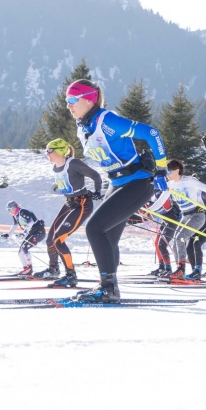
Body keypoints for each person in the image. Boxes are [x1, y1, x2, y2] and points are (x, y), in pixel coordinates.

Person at [68, 78, 169, 303]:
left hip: (138, 182)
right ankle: (108, 286)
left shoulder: (106, 121)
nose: (68, 105)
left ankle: (108, 289)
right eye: (67, 100)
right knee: (109, 236)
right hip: (116, 183)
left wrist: (162, 169)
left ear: (88, 100)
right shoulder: (84, 126)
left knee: (95, 228)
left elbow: (151, 133)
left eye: (72, 99)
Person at [42, 138, 102, 287]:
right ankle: (53, 269)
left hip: (82, 204)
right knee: (50, 239)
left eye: (49, 151)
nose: (47, 154)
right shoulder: (56, 167)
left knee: (58, 239)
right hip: (69, 203)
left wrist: (97, 191)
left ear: (60, 151)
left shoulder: (73, 163)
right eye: (46, 151)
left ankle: (70, 275)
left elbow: (95, 175)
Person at [165, 160, 206, 282]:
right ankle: (179, 272)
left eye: (169, 171)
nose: (167, 174)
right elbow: (162, 199)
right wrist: (147, 209)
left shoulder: (189, 181)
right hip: (185, 216)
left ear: (177, 170)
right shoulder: (170, 184)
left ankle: (181, 269)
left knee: (180, 238)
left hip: (197, 215)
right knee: (175, 242)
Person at [4, 201, 45, 278]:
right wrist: (8, 234)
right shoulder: (16, 215)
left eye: (9, 209)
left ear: (14, 207)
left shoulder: (22, 211)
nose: (9, 211)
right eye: (7, 210)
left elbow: (31, 222)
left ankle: (29, 269)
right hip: (32, 233)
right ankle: (26, 269)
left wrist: (23, 233)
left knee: (24, 248)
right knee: (20, 252)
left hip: (38, 232)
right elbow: (15, 225)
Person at [146, 183, 180, 277]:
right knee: (157, 243)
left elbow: (165, 207)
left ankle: (168, 268)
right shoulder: (152, 193)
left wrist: (150, 207)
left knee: (162, 245)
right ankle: (162, 267)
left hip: (172, 219)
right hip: (165, 220)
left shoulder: (159, 192)